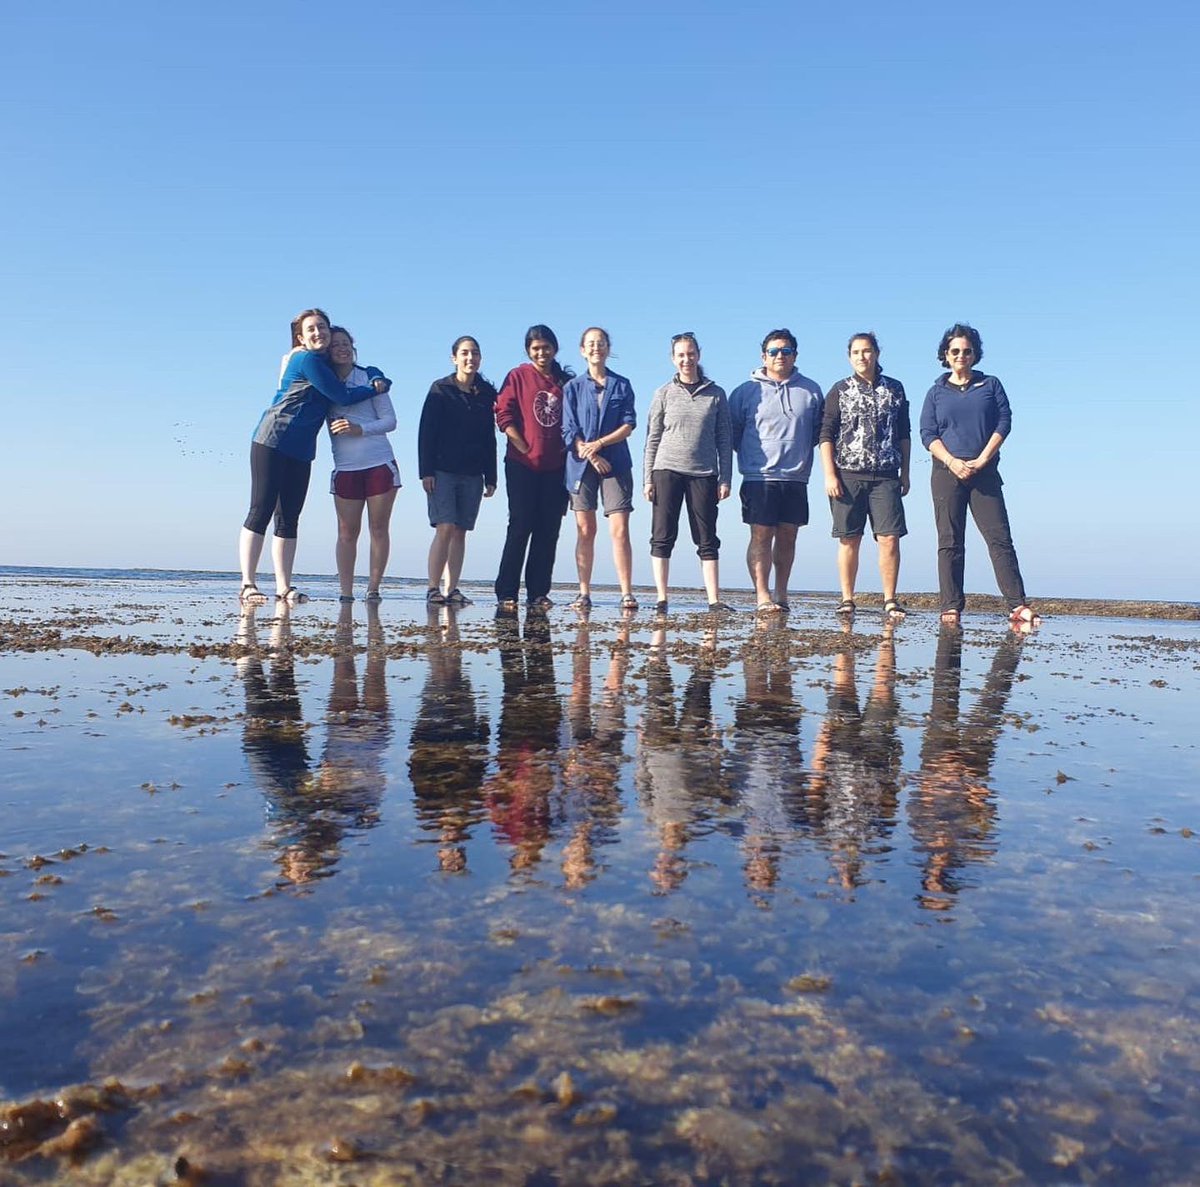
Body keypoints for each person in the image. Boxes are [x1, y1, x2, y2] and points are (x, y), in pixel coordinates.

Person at [239, 308, 389, 606]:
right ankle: (248, 584)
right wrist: (375, 387)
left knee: (289, 516)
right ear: (301, 337)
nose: (318, 332)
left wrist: (376, 373)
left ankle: (284, 587)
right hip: (272, 439)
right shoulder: (305, 359)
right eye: (311, 329)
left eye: (322, 327)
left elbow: (356, 367)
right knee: (261, 509)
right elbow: (342, 396)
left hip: (303, 449)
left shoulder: (327, 364)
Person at [919, 323, 1036, 627]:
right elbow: (927, 434)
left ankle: (1017, 604)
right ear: (946, 355)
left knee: (999, 539)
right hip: (946, 473)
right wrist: (952, 461)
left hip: (984, 473)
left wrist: (983, 459)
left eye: (967, 351)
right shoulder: (935, 392)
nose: (961, 356)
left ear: (975, 354)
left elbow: (1004, 421)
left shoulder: (991, 385)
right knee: (950, 541)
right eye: (955, 351)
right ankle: (951, 606)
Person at [729, 328, 824, 614]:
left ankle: (781, 594)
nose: (779, 356)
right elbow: (733, 433)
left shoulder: (812, 390)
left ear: (795, 355)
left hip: (796, 477)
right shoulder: (745, 392)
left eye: (786, 351)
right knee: (761, 535)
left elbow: (819, 432)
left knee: (788, 536)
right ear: (764, 356)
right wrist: (753, 457)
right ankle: (762, 595)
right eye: (773, 351)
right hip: (758, 476)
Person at [819, 331, 911, 619]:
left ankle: (890, 599)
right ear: (849, 357)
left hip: (886, 475)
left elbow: (904, 433)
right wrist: (829, 475)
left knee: (890, 538)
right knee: (849, 538)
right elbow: (826, 434)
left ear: (876, 354)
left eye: (867, 351)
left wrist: (906, 472)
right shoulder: (839, 390)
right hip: (848, 475)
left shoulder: (895, 388)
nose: (862, 356)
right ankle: (847, 599)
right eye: (856, 352)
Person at [642, 332, 733, 615]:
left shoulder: (716, 394)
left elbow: (724, 439)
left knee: (707, 537)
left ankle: (714, 600)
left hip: (703, 473)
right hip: (666, 470)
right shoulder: (663, 393)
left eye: (690, 353)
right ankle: (662, 598)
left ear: (698, 355)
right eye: (681, 355)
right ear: (673, 359)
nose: (686, 359)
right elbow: (652, 438)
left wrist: (725, 478)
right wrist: (647, 478)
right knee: (662, 535)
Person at [493, 325, 572, 612]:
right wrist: (521, 444)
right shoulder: (518, 376)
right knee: (520, 525)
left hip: (556, 467)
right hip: (522, 464)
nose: (541, 352)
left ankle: (538, 592)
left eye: (546, 347)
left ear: (555, 348)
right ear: (528, 351)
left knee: (548, 530)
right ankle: (507, 591)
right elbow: (503, 413)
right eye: (536, 348)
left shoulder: (565, 383)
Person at [418, 335, 498, 607]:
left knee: (461, 530)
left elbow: (489, 437)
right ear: (454, 358)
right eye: (464, 353)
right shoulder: (440, 389)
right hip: (441, 471)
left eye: (474, 353)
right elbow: (426, 433)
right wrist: (426, 471)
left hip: (473, 472)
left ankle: (452, 589)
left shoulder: (486, 393)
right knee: (445, 526)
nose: (470, 358)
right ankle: (433, 588)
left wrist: (491, 476)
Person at [561, 327, 638, 611]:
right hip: (581, 466)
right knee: (585, 529)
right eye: (591, 344)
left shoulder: (622, 385)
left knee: (619, 529)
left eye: (601, 343)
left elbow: (628, 424)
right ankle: (583, 592)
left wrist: (600, 444)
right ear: (583, 350)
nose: (596, 348)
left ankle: (627, 593)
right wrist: (592, 455)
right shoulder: (572, 388)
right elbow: (568, 429)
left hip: (616, 463)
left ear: (608, 348)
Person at [325, 326, 400, 603]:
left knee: (378, 529)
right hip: (346, 467)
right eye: (335, 345)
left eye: (346, 343)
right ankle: (345, 593)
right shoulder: (323, 381)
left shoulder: (369, 377)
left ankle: (373, 589)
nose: (342, 349)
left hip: (379, 463)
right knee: (346, 532)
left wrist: (360, 429)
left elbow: (390, 421)